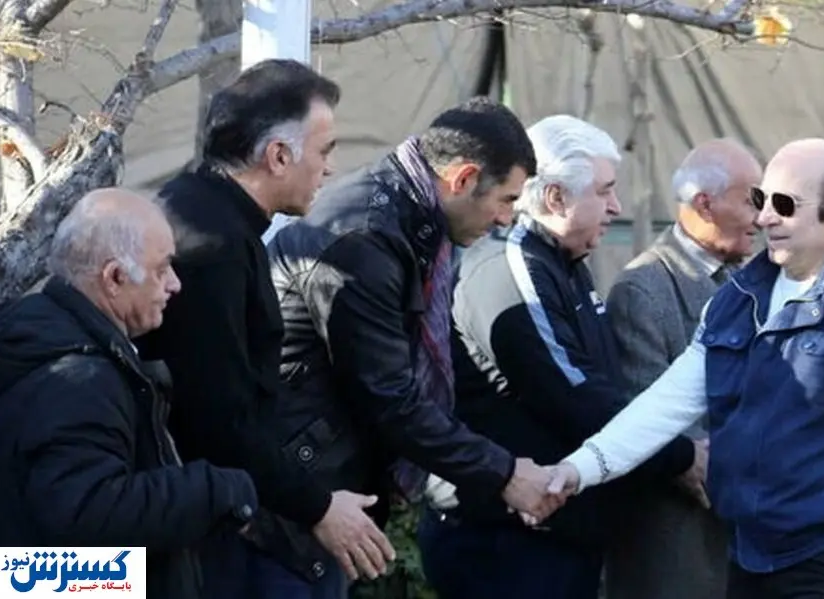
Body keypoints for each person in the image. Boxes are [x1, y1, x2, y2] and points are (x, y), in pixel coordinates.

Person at [548, 138, 824, 599]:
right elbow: (666, 404)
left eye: (785, 205)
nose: (764, 218)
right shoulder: (737, 298)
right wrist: (579, 468)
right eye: (761, 199)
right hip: (748, 556)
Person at [263, 97, 565, 595]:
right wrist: (505, 474)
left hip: (321, 494)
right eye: (506, 200)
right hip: (293, 506)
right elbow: (389, 397)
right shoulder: (364, 239)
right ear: (463, 179)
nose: (507, 219)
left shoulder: (411, 223)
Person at [413, 114, 703, 599]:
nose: (616, 207)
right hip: (506, 543)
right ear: (555, 197)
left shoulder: (562, 261)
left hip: (555, 536)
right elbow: (573, 394)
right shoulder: (514, 266)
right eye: (605, 191)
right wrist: (680, 455)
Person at [134, 59, 394, 599]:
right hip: (196, 533)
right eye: (324, 151)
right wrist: (319, 507)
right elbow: (219, 420)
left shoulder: (209, 213)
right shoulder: (213, 246)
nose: (330, 169)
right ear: (278, 156)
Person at [0, 188, 258, 599]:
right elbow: (81, 522)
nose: (175, 284)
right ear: (115, 277)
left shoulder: (47, 339)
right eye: (162, 269)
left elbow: (25, 573)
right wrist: (215, 491)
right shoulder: (77, 379)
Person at [603, 137, 762, 599]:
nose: (761, 216)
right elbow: (656, 424)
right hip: (679, 544)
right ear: (705, 204)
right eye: (751, 199)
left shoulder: (748, 280)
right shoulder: (642, 290)